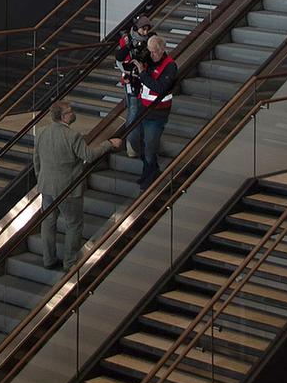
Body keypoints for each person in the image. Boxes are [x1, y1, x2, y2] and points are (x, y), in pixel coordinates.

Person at [32, 101, 120, 270]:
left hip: (46, 186)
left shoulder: (41, 133)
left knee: (48, 222)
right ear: (63, 116)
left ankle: (48, 259)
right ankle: (70, 262)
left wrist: (41, 178)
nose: (73, 113)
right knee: (74, 224)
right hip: (68, 189)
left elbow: (36, 161)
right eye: (70, 111)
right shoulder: (73, 136)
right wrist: (108, 144)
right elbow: (89, 155)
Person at [132, 35, 178, 189]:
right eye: (150, 52)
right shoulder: (148, 61)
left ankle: (150, 175)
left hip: (158, 112)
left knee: (150, 145)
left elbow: (160, 88)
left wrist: (142, 74)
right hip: (143, 108)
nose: (152, 55)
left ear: (162, 49)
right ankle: (149, 168)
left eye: (154, 52)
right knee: (135, 139)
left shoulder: (170, 66)